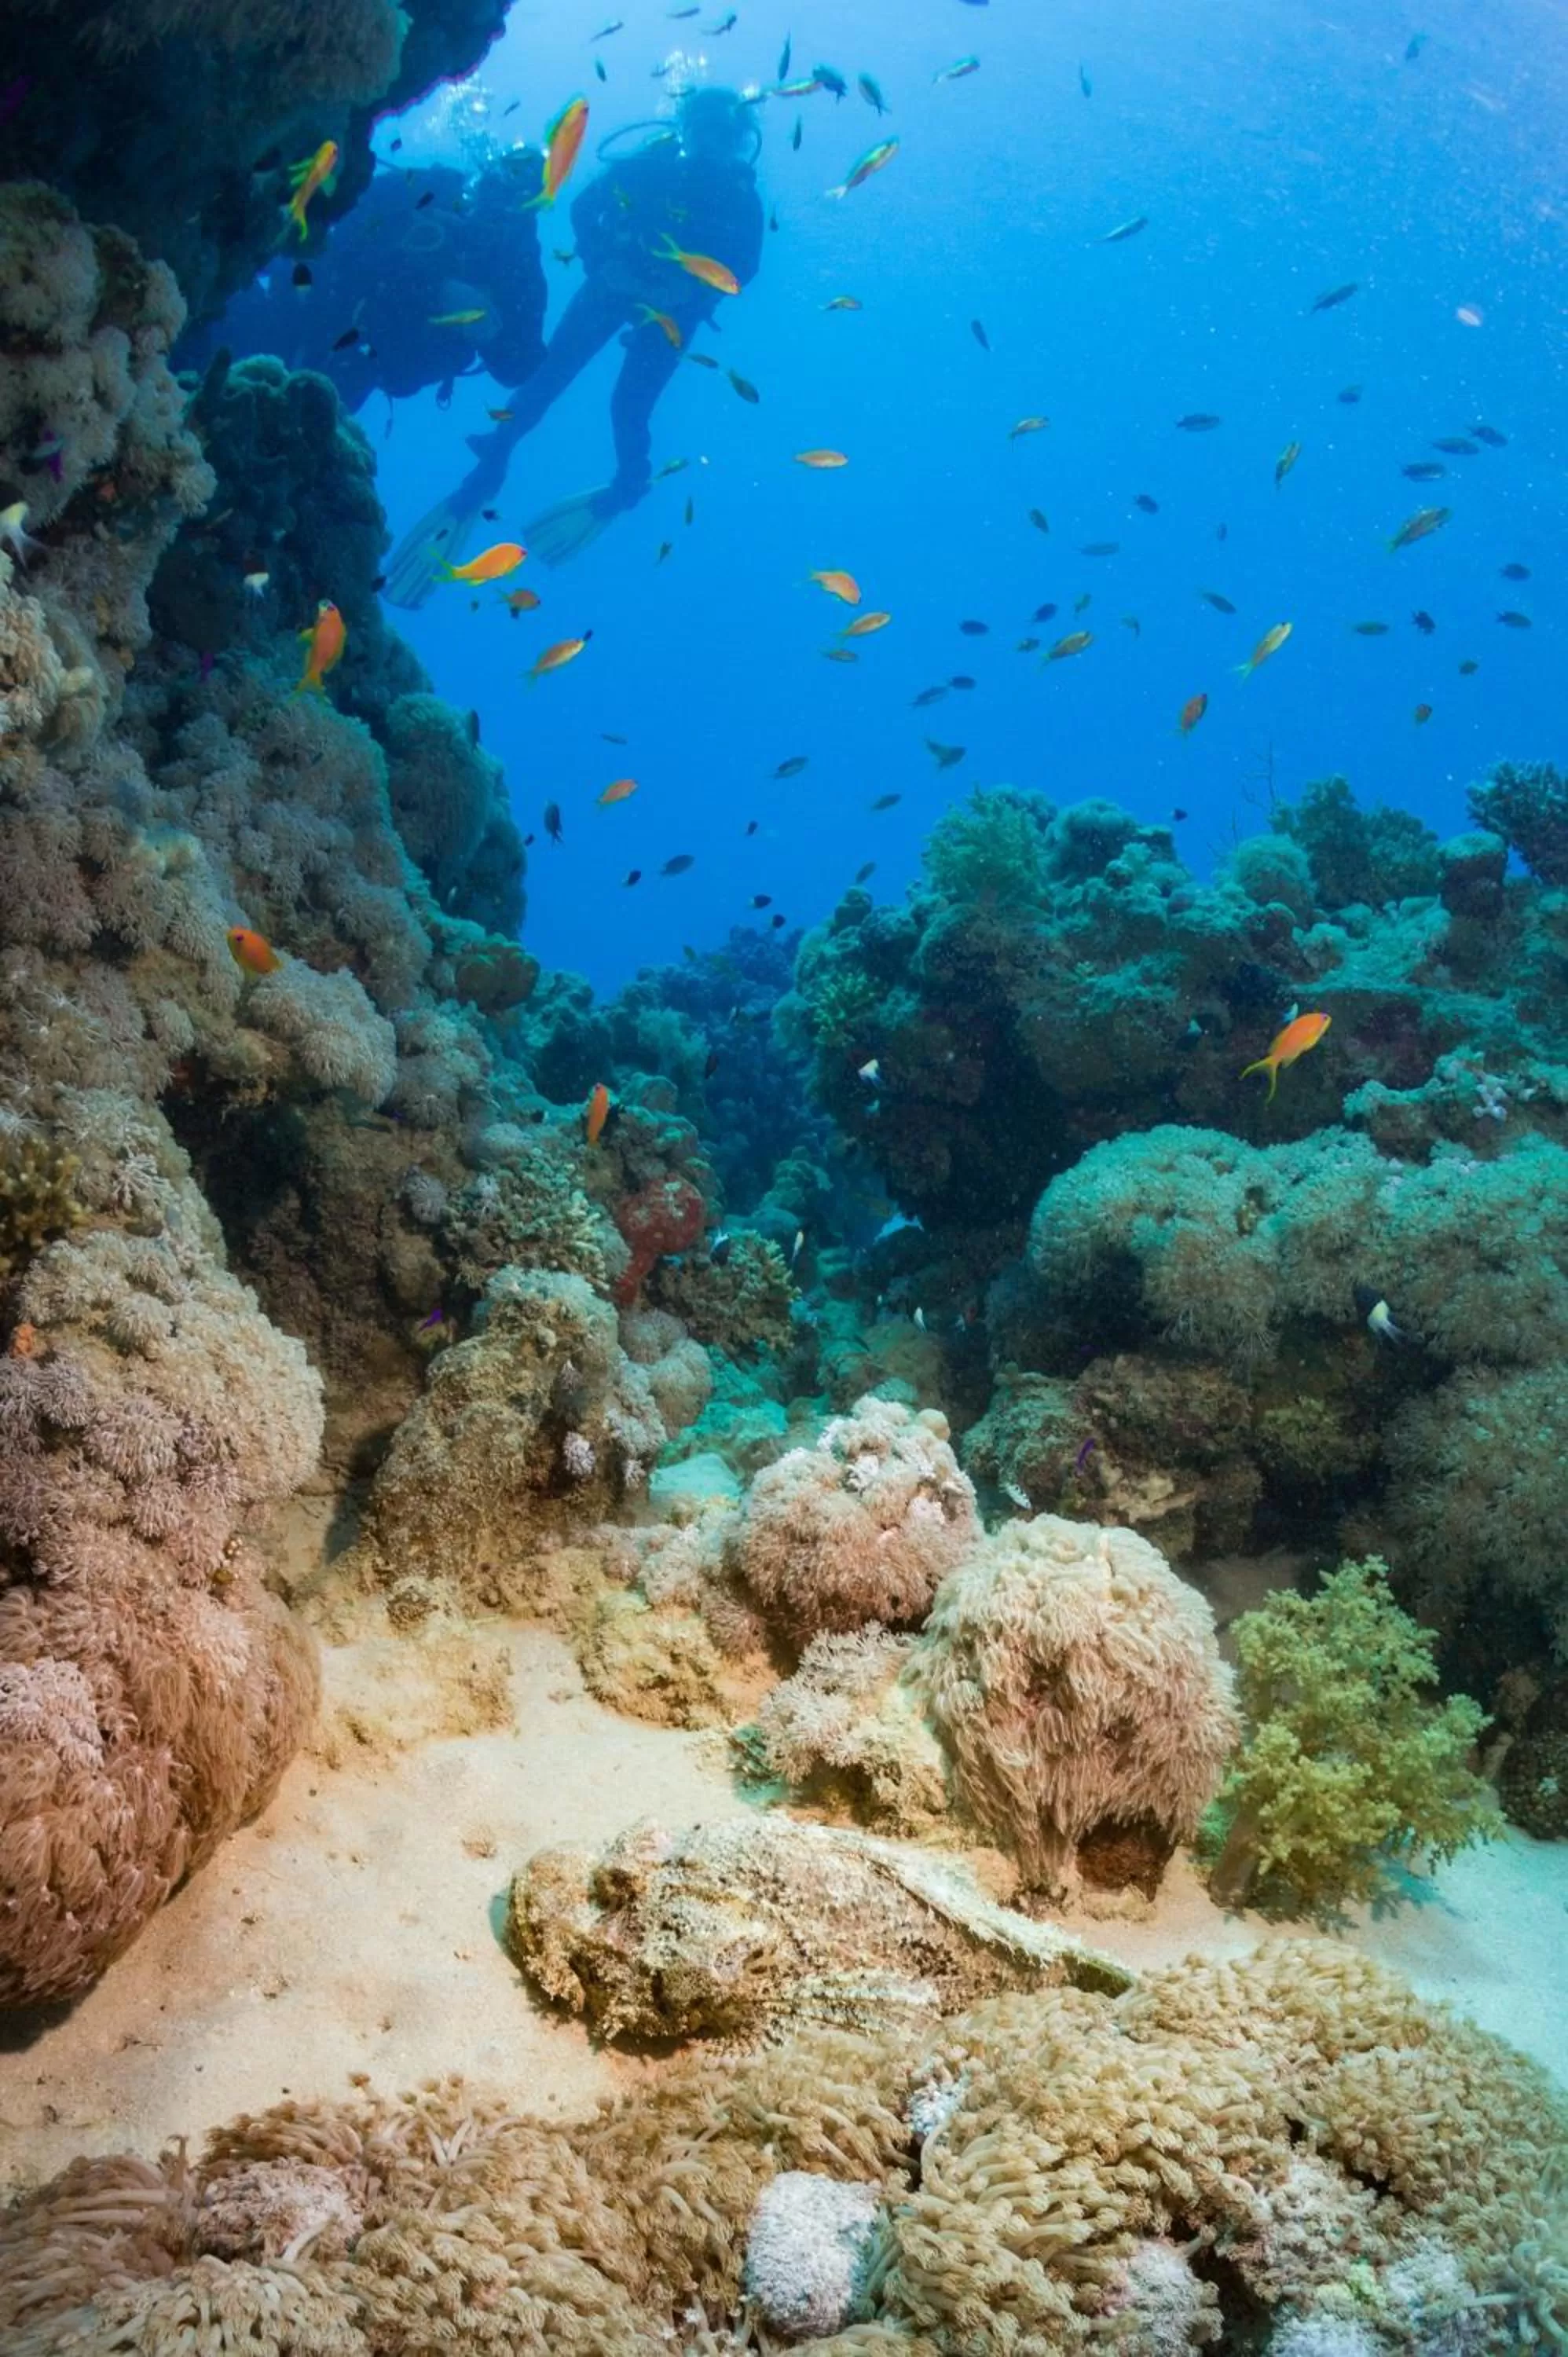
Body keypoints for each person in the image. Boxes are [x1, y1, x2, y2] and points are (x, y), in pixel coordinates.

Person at [383, 85, 764, 601]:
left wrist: (689, 293)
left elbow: (746, 268)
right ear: (687, 128)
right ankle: (490, 466)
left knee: (628, 407)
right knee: (545, 378)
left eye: (722, 135)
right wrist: (600, 261)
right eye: (702, 130)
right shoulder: (651, 166)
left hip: (673, 314)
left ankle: (628, 483)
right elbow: (585, 206)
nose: (709, 143)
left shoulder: (743, 200)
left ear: (741, 140)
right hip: (612, 285)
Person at [179, 149, 549, 420]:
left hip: (357, 369)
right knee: (196, 343)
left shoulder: (520, 274)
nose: (502, 209)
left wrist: (492, 334)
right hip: (299, 309)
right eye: (500, 186)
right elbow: (344, 225)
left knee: (276, 435)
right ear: (486, 178)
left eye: (522, 200)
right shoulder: (431, 189)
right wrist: (435, 289)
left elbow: (520, 366)